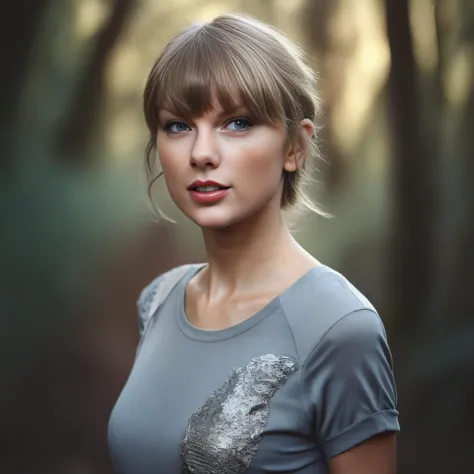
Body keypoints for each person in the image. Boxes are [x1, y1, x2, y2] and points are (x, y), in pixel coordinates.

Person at [108, 13, 400, 474]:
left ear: (294, 148)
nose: (202, 153)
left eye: (238, 122)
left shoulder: (341, 329)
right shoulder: (158, 300)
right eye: (178, 125)